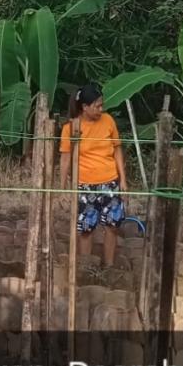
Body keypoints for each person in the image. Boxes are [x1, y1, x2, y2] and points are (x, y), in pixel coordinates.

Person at [60, 83, 130, 266]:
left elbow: (117, 149)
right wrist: (62, 187)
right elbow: (65, 158)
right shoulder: (71, 128)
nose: (101, 109)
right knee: (86, 228)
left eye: (102, 105)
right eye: (97, 106)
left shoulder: (108, 121)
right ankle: (87, 268)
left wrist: (122, 179)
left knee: (112, 226)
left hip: (110, 182)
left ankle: (109, 266)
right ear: (85, 107)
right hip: (85, 185)